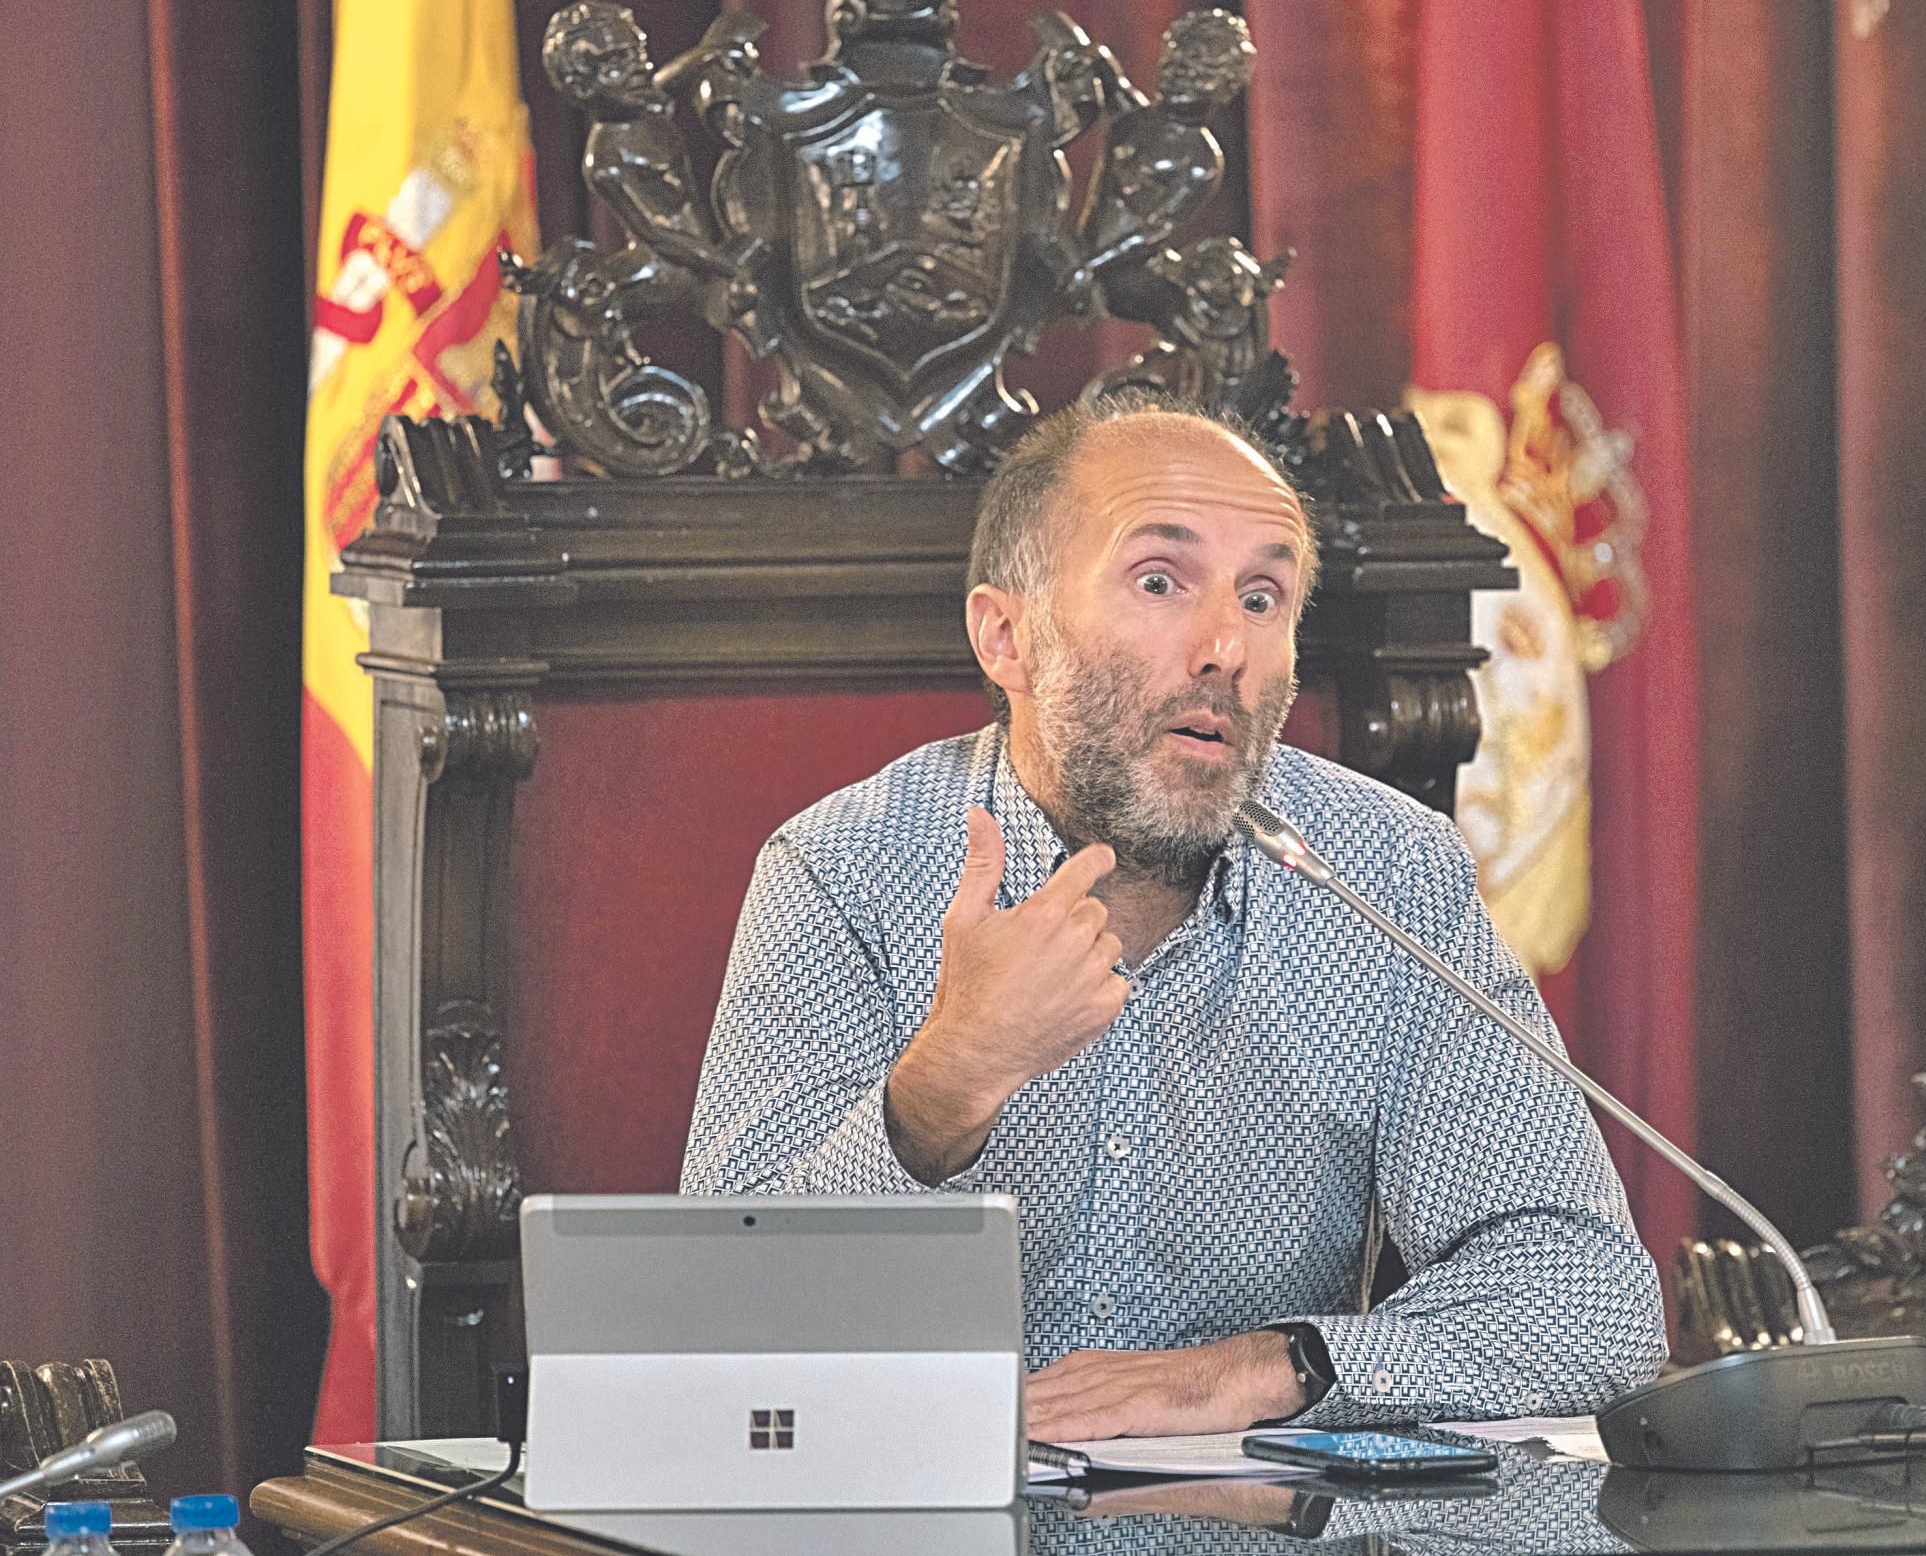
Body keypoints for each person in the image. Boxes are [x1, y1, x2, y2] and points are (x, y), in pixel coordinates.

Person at [682, 395, 1666, 1442]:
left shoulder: (1381, 871)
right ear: (1006, 636)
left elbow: (1588, 1298)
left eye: (1263, 596)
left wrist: (1263, 1368)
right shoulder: (845, 869)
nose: (1224, 647)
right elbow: (712, 1332)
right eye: (1160, 581)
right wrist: (943, 1086)